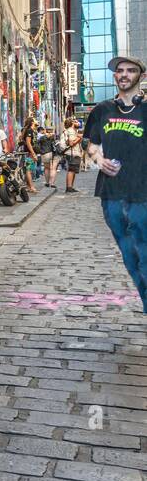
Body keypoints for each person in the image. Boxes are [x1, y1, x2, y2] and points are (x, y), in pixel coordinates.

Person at [83, 56, 147, 311]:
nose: (124, 74)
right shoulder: (102, 110)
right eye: (120, 71)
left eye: (131, 71)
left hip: (142, 194)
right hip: (111, 195)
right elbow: (92, 145)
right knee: (131, 259)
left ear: (140, 77)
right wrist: (99, 159)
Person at [60, 117, 84, 192]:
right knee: (71, 170)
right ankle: (69, 187)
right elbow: (71, 143)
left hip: (73, 152)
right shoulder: (71, 131)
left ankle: (70, 187)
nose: (78, 123)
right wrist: (79, 138)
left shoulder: (72, 131)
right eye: (76, 122)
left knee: (73, 170)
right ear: (72, 123)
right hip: (72, 152)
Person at [19, 117, 39, 194]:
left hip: (29, 153)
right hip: (29, 153)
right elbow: (28, 142)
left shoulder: (30, 130)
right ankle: (31, 187)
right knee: (29, 170)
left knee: (29, 169)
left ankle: (28, 186)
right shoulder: (29, 130)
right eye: (35, 120)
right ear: (32, 122)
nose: (36, 121)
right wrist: (33, 153)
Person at [37, 124, 58, 188]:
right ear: (51, 130)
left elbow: (38, 143)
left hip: (44, 154)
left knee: (46, 168)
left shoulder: (42, 137)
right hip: (51, 153)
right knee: (53, 168)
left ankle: (47, 182)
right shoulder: (53, 136)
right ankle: (52, 183)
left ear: (46, 130)